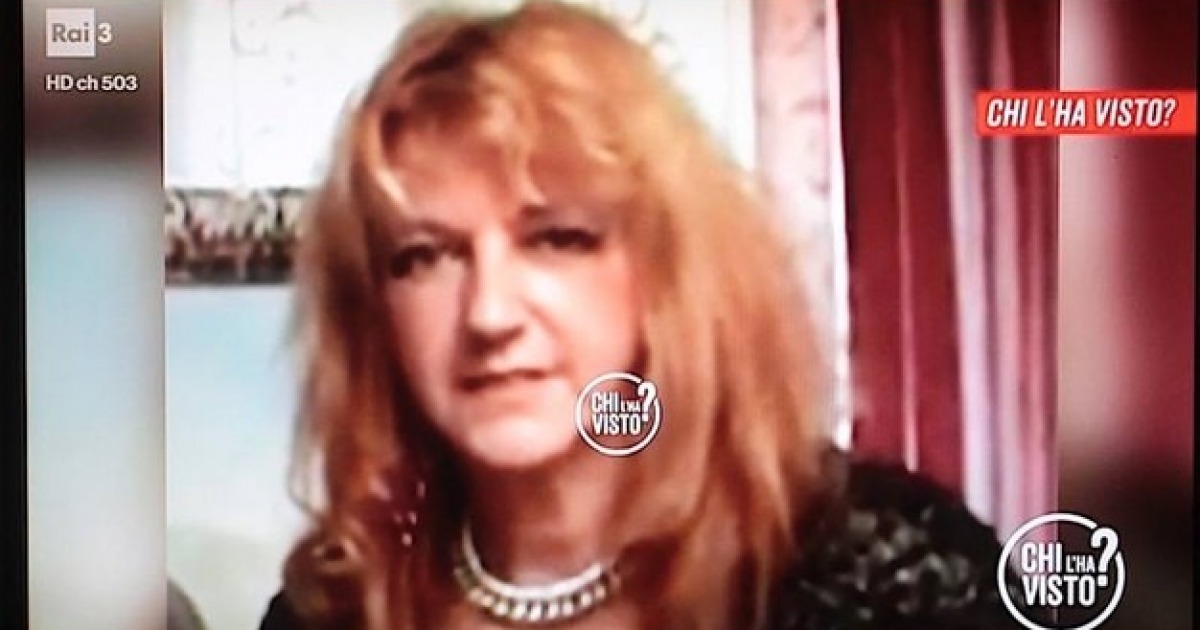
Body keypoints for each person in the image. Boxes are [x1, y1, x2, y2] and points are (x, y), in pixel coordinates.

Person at [259, 2, 1021, 629]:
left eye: (557, 238)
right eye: (424, 256)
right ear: (374, 311)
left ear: (665, 273)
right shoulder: (330, 610)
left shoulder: (882, 575)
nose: (489, 313)